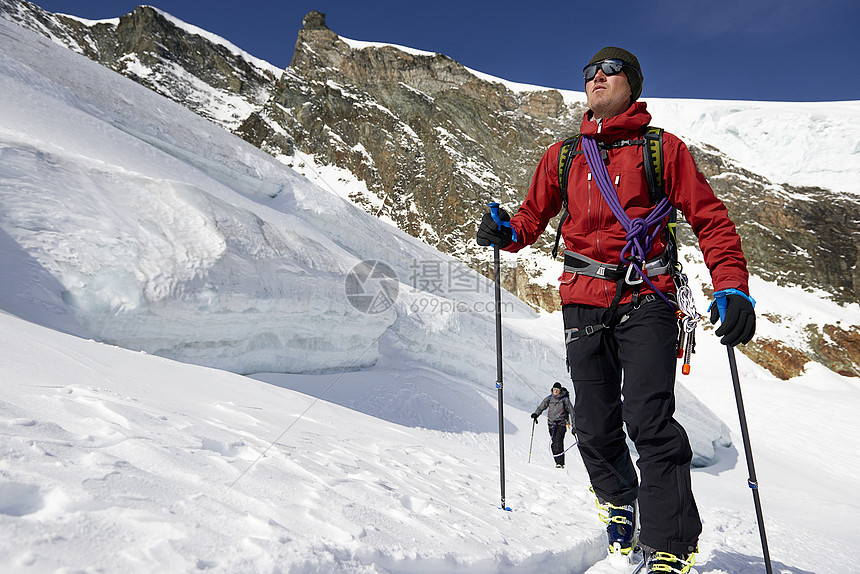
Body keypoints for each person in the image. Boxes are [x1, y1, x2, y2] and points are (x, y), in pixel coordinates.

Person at [476, 47, 755, 573]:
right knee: (597, 426)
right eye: (588, 72)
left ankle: (670, 545)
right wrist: (506, 232)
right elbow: (531, 217)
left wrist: (732, 286)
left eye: (608, 70)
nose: (595, 78)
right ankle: (618, 501)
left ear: (633, 83)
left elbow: (710, 220)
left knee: (649, 420)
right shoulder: (564, 156)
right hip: (582, 299)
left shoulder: (662, 150)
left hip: (647, 296)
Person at [531, 382, 575, 468]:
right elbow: (541, 407)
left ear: (560, 390)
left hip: (561, 424)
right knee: (554, 443)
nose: (555, 391)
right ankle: (558, 462)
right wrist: (536, 414)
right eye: (554, 389)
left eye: (557, 390)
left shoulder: (564, 399)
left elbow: (572, 412)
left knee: (558, 442)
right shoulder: (549, 398)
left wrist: (574, 425)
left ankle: (560, 463)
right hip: (551, 424)